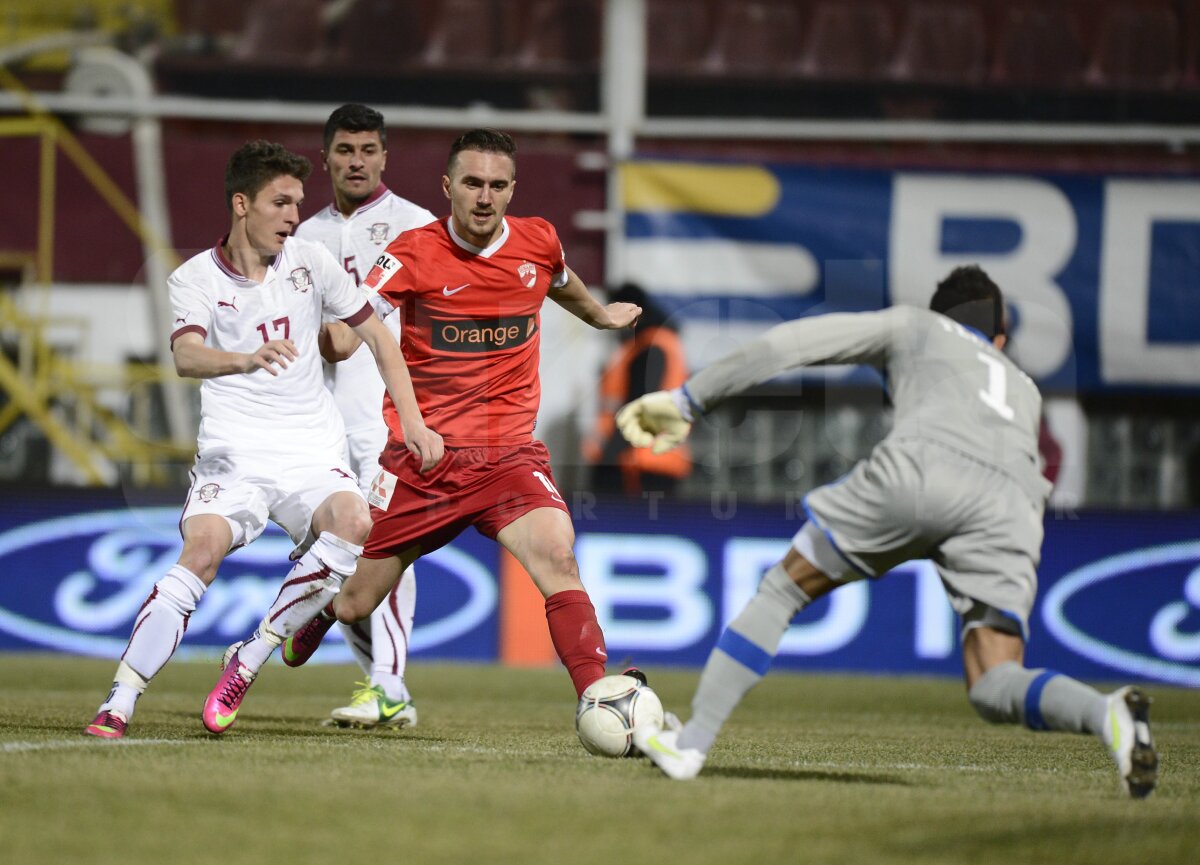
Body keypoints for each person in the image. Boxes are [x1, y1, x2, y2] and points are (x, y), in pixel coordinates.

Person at [616, 265, 1159, 798]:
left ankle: (691, 744)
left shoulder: (916, 327)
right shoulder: (1023, 385)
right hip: (1014, 503)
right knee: (996, 681)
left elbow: (793, 344)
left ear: (938, 314)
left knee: (784, 588)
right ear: (999, 336)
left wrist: (688, 399)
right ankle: (1104, 712)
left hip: (928, 468)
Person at [230, 128, 643, 707]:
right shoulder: (413, 253)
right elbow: (352, 328)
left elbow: (557, 278)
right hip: (426, 463)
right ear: (448, 186)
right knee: (354, 604)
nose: (485, 197)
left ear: (512, 190)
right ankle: (324, 613)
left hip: (508, 459)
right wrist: (327, 339)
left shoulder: (538, 241)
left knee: (558, 557)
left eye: (498, 186)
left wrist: (598, 315)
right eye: (472, 183)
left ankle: (598, 695)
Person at [84, 140, 441, 740]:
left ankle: (249, 658)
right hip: (235, 454)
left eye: (299, 203)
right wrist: (246, 359)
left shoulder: (310, 262)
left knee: (355, 522)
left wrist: (412, 421)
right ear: (242, 204)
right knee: (200, 554)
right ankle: (120, 700)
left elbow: (379, 338)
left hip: (309, 451)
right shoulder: (193, 277)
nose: (293, 216)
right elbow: (187, 355)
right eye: (281, 203)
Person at [292, 103, 436, 729]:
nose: (357, 161)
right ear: (326, 157)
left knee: (386, 547)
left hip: (385, 418)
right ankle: (383, 686)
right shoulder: (299, 237)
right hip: (315, 426)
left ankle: (388, 683)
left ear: (384, 156)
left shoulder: (417, 226)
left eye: (368, 150)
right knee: (329, 559)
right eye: (345, 150)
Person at [583, 282, 692, 498]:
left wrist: (607, 460)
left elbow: (637, 408)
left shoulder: (649, 347)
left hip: (637, 467)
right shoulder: (661, 343)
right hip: (656, 462)